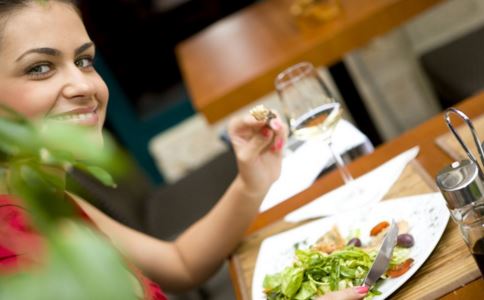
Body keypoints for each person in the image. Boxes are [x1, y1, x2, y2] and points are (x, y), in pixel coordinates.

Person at [0, 1, 369, 299]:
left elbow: (181, 264)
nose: (83, 85)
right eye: (40, 68)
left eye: (83, 60)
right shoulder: (13, 244)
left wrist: (252, 181)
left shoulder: (50, 202)